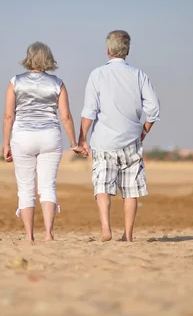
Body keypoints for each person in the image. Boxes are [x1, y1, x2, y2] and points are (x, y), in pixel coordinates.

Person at [78, 30, 160, 242]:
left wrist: (81, 138)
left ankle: (106, 229)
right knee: (130, 190)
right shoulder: (139, 75)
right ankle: (128, 234)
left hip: (104, 141)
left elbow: (89, 111)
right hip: (132, 140)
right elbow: (153, 109)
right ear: (127, 50)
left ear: (108, 50)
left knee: (102, 186)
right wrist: (144, 131)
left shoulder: (97, 74)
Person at [3, 41, 86, 243]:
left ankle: (30, 236)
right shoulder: (58, 83)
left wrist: (6, 144)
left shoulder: (15, 81)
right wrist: (74, 142)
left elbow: (8, 116)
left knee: (25, 188)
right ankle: (48, 233)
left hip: (22, 137)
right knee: (48, 186)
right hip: (50, 136)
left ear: (28, 57)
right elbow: (65, 116)